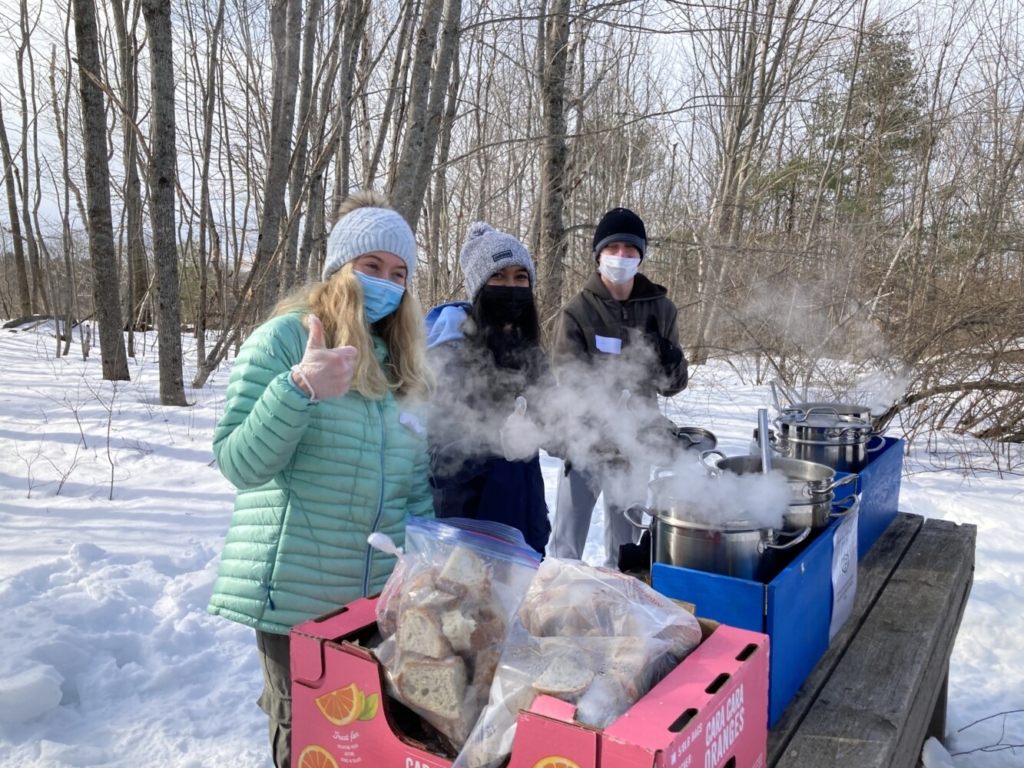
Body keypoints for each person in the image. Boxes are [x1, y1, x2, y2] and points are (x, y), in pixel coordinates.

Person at [206, 190, 435, 768]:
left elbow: (413, 487)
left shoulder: (395, 359)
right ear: (340, 268)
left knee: (365, 737)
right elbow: (239, 462)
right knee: (308, 733)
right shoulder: (285, 338)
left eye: (399, 272)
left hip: (372, 598)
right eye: (372, 266)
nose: (386, 282)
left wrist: (428, 569)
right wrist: (298, 389)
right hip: (297, 596)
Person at [548, 207, 688, 569]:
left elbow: (674, 386)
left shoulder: (661, 309)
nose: (622, 257)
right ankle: (556, 608)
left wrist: (669, 358)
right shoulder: (577, 311)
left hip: (634, 448)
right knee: (566, 546)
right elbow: (569, 382)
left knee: (625, 551)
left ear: (641, 255)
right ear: (599, 255)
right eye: (614, 248)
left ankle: (618, 612)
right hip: (584, 445)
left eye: (630, 249)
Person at [424, 222, 554, 554]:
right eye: (498, 276)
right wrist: (496, 441)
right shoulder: (450, 354)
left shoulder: (532, 354)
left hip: (524, 525)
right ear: (479, 286)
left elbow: (554, 421)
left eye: (520, 277)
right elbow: (437, 461)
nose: (511, 286)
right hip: (467, 531)